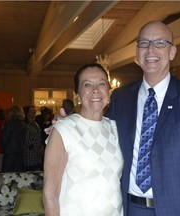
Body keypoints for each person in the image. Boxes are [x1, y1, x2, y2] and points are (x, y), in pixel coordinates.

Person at [106, 21, 180, 216]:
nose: (150, 49)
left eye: (160, 43)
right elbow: (103, 138)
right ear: (137, 54)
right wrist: (69, 128)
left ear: (172, 52)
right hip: (131, 209)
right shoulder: (121, 98)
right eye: (144, 43)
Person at [43, 63, 123, 216]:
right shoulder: (63, 130)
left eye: (101, 83)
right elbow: (50, 194)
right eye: (87, 84)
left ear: (109, 92)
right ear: (78, 95)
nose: (95, 90)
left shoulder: (115, 128)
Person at [2, 106, 26, 172]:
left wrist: (3, 149)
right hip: (20, 151)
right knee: (17, 173)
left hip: (10, 151)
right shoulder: (23, 124)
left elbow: (5, 139)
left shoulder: (9, 124)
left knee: (6, 173)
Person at [23, 105, 44, 171]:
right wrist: (37, 150)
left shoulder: (35, 123)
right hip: (30, 154)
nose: (33, 113)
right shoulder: (25, 125)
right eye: (31, 111)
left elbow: (39, 136)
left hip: (38, 154)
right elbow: (27, 141)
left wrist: (41, 148)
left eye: (34, 111)